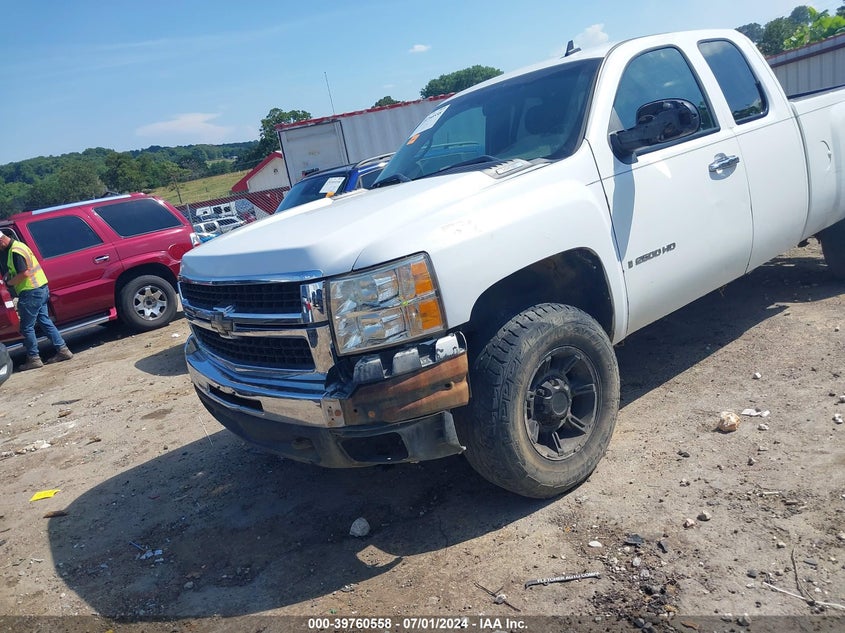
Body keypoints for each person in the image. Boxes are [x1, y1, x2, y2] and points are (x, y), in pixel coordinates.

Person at [0, 232, 72, 370]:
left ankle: (34, 358)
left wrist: (9, 284)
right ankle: (63, 350)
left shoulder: (15, 251)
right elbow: (20, 269)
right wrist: (10, 274)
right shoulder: (18, 246)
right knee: (45, 321)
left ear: (1, 241)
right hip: (40, 288)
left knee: (26, 327)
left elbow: (24, 273)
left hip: (30, 292)